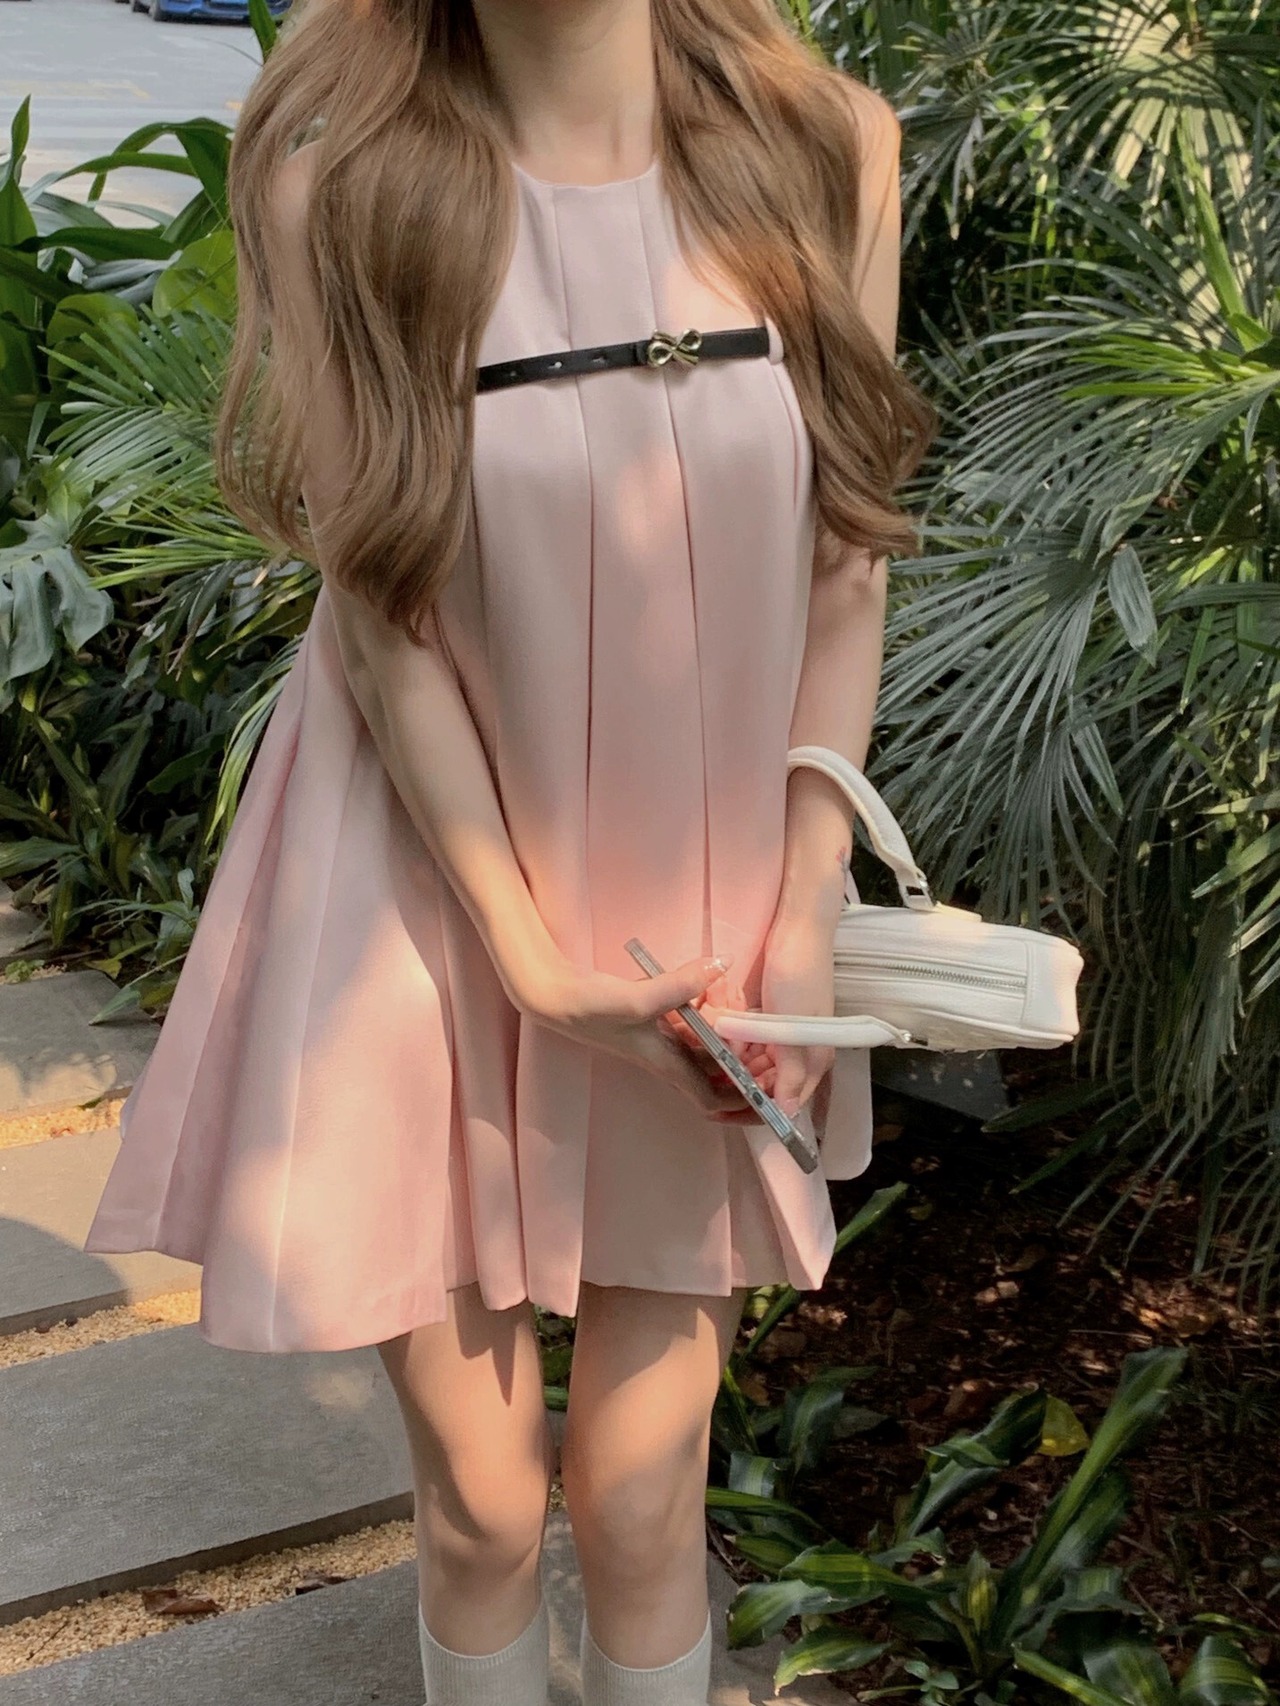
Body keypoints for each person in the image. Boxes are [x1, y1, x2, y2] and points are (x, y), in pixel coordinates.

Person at [84, 0, 931, 1699]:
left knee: (639, 1495)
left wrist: (802, 898)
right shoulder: (345, 182)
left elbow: (849, 560)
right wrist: (529, 952)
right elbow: (382, 617)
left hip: (701, 912)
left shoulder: (826, 147)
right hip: (418, 878)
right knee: (479, 1505)